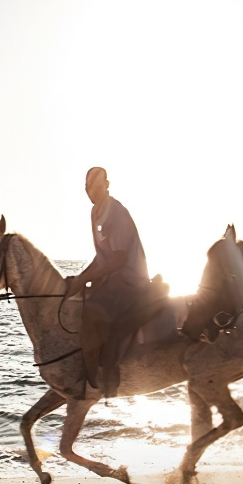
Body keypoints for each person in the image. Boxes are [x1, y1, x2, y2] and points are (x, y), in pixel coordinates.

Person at [68, 167, 153, 398]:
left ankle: (107, 371)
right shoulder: (96, 212)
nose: (90, 191)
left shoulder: (115, 212)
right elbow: (101, 257)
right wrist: (79, 278)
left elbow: (118, 259)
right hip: (111, 276)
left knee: (93, 311)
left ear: (107, 184)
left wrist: (84, 278)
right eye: (87, 187)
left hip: (129, 276)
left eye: (95, 186)